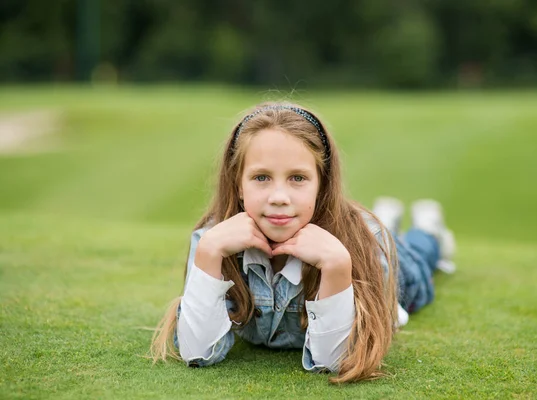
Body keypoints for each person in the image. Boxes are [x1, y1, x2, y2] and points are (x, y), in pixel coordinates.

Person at [150, 102, 456, 383]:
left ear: (321, 185)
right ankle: (388, 216)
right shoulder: (212, 240)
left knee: (418, 257)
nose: (279, 198)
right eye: (261, 178)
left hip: (383, 259)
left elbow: (335, 360)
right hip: (359, 236)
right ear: (238, 184)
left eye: (298, 178)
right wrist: (208, 252)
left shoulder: (361, 244)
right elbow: (196, 352)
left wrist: (336, 265)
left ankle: (428, 229)